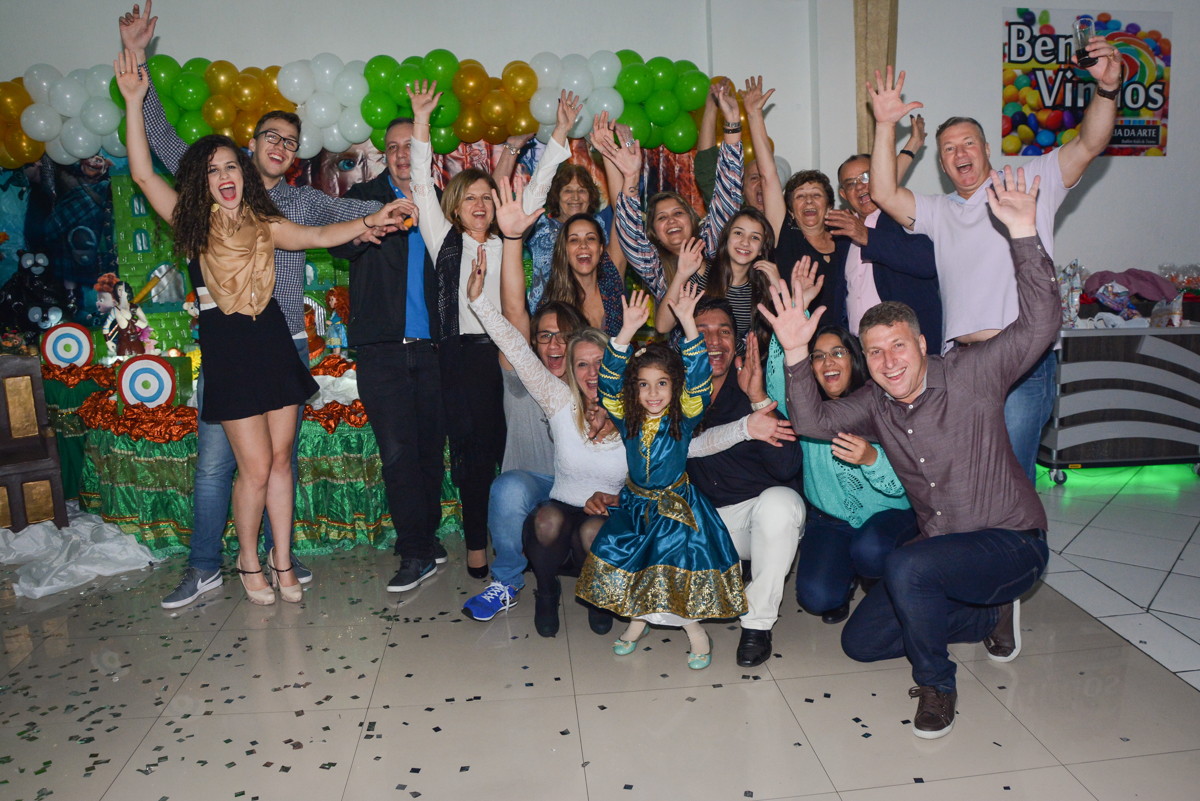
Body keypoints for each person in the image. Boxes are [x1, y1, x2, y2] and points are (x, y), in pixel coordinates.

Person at [762, 165, 1056, 740]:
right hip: (944, 551)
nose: (888, 361)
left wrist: (1023, 232)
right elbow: (810, 420)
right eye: (874, 352)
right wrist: (795, 353)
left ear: (922, 346)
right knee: (861, 643)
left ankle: (937, 685)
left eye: (899, 347)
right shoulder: (875, 404)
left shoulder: (972, 374)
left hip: (1011, 543)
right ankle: (983, 612)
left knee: (906, 563)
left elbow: (1041, 323)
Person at [114, 49, 408, 606]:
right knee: (245, 469)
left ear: (243, 174)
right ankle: (245, 562)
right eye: (214, 169)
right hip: (229, 351)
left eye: (230, 168)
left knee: (279, 461)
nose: (224, 176)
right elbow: (143, 171)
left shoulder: (269, 220)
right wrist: (134, 99)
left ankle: (282, 561)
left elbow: (322, 236)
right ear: (205, 181)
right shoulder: (191, 222)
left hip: (276, 343)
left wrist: (372, 219)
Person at [866, 48, 1122, 482]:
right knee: (966, 477)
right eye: (948, 149)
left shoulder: (1028, 184)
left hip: (1021, 359)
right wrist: (886, 125)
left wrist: (1107, 87)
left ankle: (1020, 549)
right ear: (943, 164)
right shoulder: (938, 210)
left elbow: (1089, 143)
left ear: (986, 149)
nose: (959, 153)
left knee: (1011, 479)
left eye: (968, 143)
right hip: (960, 364)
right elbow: (884, 194)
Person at [407, 79, 546, 582]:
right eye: (472, 198)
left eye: (489, 196)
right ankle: (476, 548)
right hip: (463, 358)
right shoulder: (444, 239)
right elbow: (421, 182)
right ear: (455, 205)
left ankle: (526, 541)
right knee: (472, 458)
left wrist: (562, 138)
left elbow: (534, 195)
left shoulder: (509, 239)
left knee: (517, 451)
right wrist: (421, 121)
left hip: (511, 356)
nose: (482, 204)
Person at [577, 286, 749, 670]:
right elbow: (607, 387)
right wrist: (625, 333)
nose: (653, 393)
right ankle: (638, 624)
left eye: (662, 384)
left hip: (676, 511)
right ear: (633, 390)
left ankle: (696, 633)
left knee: (673, 574)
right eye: (643, 384)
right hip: (636, 508)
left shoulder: (683, 417)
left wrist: (689, 323)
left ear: (675, 388)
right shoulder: (627, 418)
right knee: (638, 570)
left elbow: (701, 379)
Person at [326, 115, 454, 593]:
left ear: (425, 150)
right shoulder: (363, 200)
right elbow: (343, 247)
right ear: (384, 154)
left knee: (429, 451)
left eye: (411, 145)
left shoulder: (442, 202)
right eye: (394, 147)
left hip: (436, 348)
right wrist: (368, 229)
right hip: (381, 349)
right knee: (398, 452)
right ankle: (414, 549)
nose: (402, 154)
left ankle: (426, 534)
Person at [684, 297, 804, 667]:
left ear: (736, 342)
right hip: (709, 524)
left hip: (761, 517)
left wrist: (756, 398)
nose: (713, 340)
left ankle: (757, 624)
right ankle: (733, 579)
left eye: (723, 331)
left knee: (780, 503)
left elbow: (787, 467)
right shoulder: (677, 395)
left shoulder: (751, 387)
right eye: (701, 331)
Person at [789, 322, 918, 624]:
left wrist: (872, 458)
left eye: (837, 352)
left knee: (871, 550)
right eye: (818, 356)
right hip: (830, 520)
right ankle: (846, 578)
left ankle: (880, 576)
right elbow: (779, 374)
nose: (828, 362)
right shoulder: (804, 410)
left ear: (855, 358)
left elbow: (904, 485)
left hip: (889, 515)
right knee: (816, 597)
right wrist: (795, 332)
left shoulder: (879, 402)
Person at [593, 85, 744, 300]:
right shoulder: (654, 267)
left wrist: (732, 123)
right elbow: (627, 225)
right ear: (654, 233)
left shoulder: (712, 244)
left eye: (678, 213)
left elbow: (728, 190)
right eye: (661, 218)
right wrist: (630, 174)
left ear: (693, 219)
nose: (671, 220)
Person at [825, 137, 943, 352]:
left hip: (907, 349)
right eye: (851, 183)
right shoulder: (842, 236)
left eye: (866, 176)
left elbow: (928, 262)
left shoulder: (906, 214)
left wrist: (867, 237)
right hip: (858, 352)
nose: (860, 186)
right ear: (843, 194)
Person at [524, 112, 628, 324]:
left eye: (581, 190)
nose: (575, 197)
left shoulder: (601, 225)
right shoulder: (538, 225)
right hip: (547, 316)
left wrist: (610, 150)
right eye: (567, 190)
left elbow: (624, 211)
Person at [654, 207, 775, 351]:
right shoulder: (700, 271)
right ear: (726, 238)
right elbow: (663, 326)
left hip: (729, 367)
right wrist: (681, 274)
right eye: (738, 233)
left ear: (761, 249)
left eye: (755, 237)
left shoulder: (759, 290)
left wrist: (777, 288)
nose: (745, 242)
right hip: (690, 364)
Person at [696, 77, 787, 239]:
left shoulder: (790, 222)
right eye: (753, 178)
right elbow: (706, 166)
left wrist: (754, 114)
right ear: (742, 189)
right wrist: (711, 107)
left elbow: (769, 175)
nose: (761, 182)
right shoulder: (730, 215)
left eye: (763, 177)